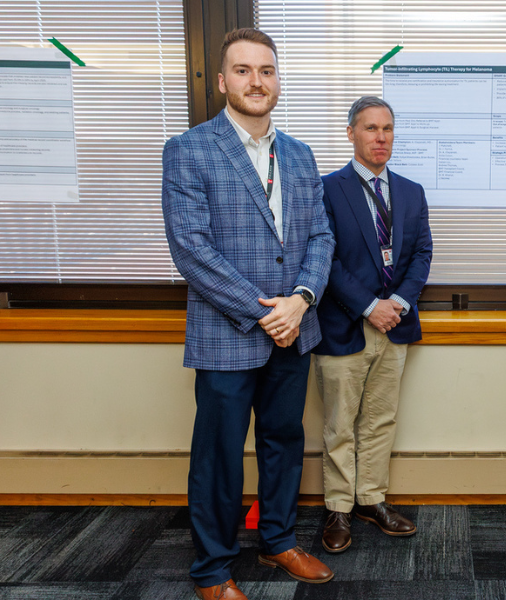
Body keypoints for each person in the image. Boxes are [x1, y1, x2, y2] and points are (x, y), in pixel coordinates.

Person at [162, 28, 335, 600]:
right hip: (227, 332)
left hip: (295, 329)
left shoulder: (301, 154)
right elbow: (192, 249)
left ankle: (279, 540)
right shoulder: (189, 149)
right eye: (243, 70)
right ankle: (213, 570)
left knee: (284, 440)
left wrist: (302, 299)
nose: (256, 81)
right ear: (221, 81)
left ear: (278, 79)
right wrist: (263, 312)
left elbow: (320, 235)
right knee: (219, 454)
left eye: (266, 70)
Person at [314, 96, 432, 553]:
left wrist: (398, 302)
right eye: (369, 128)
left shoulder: (411, 191)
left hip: (395, 325)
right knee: (340, 425)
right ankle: (339, 508)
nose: (379, 137)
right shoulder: (326, 189)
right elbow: (325, 260)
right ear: (351, 134)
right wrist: (369, 306)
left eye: (386, 128)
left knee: (380, 420)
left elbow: (421, 254)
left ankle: (371, 500)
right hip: (344, 324)